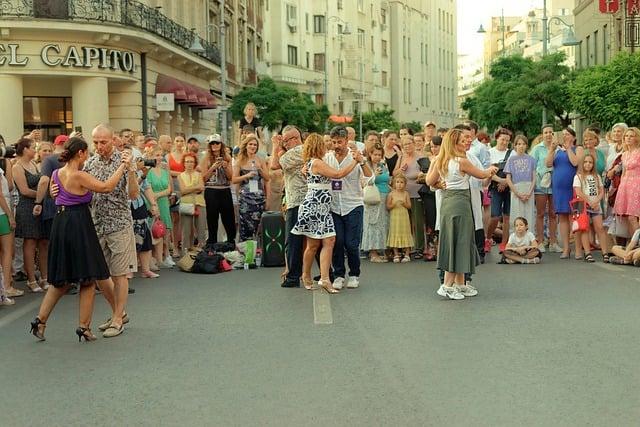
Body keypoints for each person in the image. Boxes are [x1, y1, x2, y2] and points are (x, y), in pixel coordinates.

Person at [29, 137, 131, 342]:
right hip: (78, 224)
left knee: (61, 281)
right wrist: (123, 167)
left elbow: (54, 193)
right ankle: (84, 327)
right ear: (81, 153)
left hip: (60, 223)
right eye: (87, 152)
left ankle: (40, 321)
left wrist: (52, 192)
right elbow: (106, 187)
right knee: (87, 279)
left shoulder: (57, 174)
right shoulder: (79, 175)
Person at [426, 129, 497, 300]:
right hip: (460, 203)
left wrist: (442, 185)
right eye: (462, 140)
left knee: (457, 240)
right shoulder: (461, 161)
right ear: (455, 144)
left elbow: (429, 181)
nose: (466, 143)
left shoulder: (440, 160)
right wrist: (492, 169)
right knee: (459, 241)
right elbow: (481, 175)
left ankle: (459, 283)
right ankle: (447, 285)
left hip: (448, 203)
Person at [85, 124, 140, 338]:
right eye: (96, 142)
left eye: (103, 142)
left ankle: (117, 319)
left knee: (120, 274)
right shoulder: (90, 162)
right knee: (100, 274)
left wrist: (132, 170)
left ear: (113, 139)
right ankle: (119, 312)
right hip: (97, 223)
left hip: (119, 224)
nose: (99, 146)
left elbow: (134, 194)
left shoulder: (124, 161)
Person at [291, 133, 358, 293]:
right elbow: (337, 174)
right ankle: (312, 276)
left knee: (324, 242)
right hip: (315, 206)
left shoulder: (312, 162)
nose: (326, 145)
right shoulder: (317, 162)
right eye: (323, 143)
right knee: (317, 244)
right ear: (318, 146)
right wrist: (356, 161)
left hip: (322, 207)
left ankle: (321, 278)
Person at [324, 126, 370, 290]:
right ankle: (338, 275)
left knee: (351, 243)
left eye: (340, 142)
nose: (337, 145)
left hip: (353, 205)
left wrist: (362, 161)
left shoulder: (354, 157)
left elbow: (369, 176)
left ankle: (354, 274)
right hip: (334, 206)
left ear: (346, 141)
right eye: (334, 142)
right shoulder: (327, 158)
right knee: (337, 242)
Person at [270, 126, 306, 288]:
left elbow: (274, 164)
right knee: (313, 240)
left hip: (300, 202)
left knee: (293, 241)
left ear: (294, 138)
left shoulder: (298, 150)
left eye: (286, 141)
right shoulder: (300, 151)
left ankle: (293, 276)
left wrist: (276, 146)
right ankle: (327, 273)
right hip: (299, 201)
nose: (285, 143)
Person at [12, 138, 47, 293]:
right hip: (26, 207)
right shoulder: (17, 166)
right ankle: (31, 279)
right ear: (25, 149)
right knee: (30, 242)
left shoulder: (34, 164)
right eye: (33, 147)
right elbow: (24, 190)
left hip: (40, 205)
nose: (35, 150)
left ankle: (44, 277)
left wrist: (42, 196)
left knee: (43, 242)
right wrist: (42, 194)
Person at [546, 127, 584, 259]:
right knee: (562, 217)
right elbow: (548, 164)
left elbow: (575, 162)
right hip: (559, 188)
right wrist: (552, 149)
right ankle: (566, 249)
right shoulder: (557, 150)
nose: (564, 136)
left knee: (575, 218)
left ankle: (578, 249)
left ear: (573, 137)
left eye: (567, 134)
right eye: (562, 135)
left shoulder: (577, 149)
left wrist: (568, 148)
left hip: (574, 187)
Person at [530, 125, 561, 253]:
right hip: (540, 184)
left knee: (554, 213)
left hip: (555, 183)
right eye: (546, 132)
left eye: (550, 132)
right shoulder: (537, 149)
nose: (548, 134)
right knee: (541, 213)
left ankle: (553, 242)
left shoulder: (559, 149)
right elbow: (532, 166)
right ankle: (540, 241)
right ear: (542, 134)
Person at [233, 134, 270, 242]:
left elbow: (267, 178)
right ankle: (247, 254)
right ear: (246, 145)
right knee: (246, 227)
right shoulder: (240, 161)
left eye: (255, 145)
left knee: (258, 227)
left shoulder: (260, 160)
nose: (253, 146)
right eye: (250, 144)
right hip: (245, 199)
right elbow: (234, 179)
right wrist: (246, 176)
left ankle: (258, 252)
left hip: (259, 198)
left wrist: (260, 169)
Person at [573, 153, 609, 263]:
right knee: (584, 228)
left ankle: (605, 252)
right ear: (582, 163)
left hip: (596, 204)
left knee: (600, 228)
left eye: (590, 162)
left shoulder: (596, 176)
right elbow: (578, 191)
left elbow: (601, 190)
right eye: (585, 162)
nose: (588, 164)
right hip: (581, 204)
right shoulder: (578, 176)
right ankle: (587, 253)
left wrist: (596, 201)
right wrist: (589, 201)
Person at [200, 134, 235, 245]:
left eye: (217, 143)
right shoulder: (205, 158)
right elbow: (203, 178)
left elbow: (231, 177)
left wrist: (225, 167)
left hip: (225, 189)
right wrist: (212, 167)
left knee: (229, 218)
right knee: (212, 218)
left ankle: (230, 241)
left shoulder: (227, 157)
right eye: (212, 143)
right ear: (209, 145)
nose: (215, 145)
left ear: (221, 144)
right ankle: (212, 242)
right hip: (211, 190)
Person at [362, 143, 390, 263]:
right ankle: (373, 252)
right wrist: (374, 175)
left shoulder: (383, 165)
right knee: (372, 223)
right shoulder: (366, 165)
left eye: (380, 154)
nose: (377, 157)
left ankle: (380, 250)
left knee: (382, 223)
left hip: (384, 196)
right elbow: (364, 182)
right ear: (370, 154)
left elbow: (387, 179)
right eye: (375, 154)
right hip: (372, 197)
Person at [146, 147, 174, 267]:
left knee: (166, 229)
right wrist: (154, 198)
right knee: (153, 229)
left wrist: (158, 195)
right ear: (151, 157)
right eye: (156, 155)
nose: (159, 157)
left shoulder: (164, 171)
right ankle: (152, 257)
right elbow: (147, 187)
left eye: (161, 155)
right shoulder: (148, 171)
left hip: (163, 202)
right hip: (150, 202)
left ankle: (166, 254)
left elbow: (169, 189)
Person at [398, 136, 425, 258]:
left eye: (409, 144)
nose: (407, 146)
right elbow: (395, 173)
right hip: (403, 194)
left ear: (414, 144)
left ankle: (420, 247)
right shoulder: (401, 157)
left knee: (417, 221)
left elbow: (425, 173)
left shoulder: (420, 157)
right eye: (404, 145)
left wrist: (416, 175)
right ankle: (408, 247)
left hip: (416, 192)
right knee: (405, 222)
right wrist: (400, 170)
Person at [487, 128, 513, 253]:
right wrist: (500, 181)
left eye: (507, 140)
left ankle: (504, 242)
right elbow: (488, 172)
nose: (504, 142)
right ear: (497, 138)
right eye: (502, 139)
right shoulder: (490, 152)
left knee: (507, 216)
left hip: (509, 187)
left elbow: (514, 172)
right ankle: (488, 238)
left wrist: (506, 183)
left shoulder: (512, 153)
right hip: (495, 187)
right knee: (495, 216)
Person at [505, 135, 536, 232]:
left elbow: (534, 178)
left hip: (528, 189)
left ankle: (529, 239)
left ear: (526, 145)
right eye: (518, 144)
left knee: (529, 214)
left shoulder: (531, 159)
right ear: (515, 146)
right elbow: (508, 179)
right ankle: (516, 240)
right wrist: (517, 193)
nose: (521, 146)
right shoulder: (511, 160)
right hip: (516, 189)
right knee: (517, 214)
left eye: (523, 144)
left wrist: (529, 192)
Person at [613, 127, 640, 237]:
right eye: (626, 136)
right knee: (628, 217)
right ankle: (633, 246)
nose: (628, 138)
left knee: (633, 217)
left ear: (637, 138)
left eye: (631, 136)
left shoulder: (639, 152)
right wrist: (620, 188)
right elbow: (623, 172)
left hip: (637, 185)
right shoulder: (624, 154)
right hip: (625, 186)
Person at [178, 153, 206, 253]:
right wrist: (195, 187)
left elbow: (201, 188)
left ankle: (201, 251)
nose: (189, 164)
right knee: (186, 230)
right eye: (187, 162)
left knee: (201, 229)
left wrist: (188, 189)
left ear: (194, 163)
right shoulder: (180, 176)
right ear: (184, 163)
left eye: (191, 162)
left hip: (199, 203)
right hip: (186, 204)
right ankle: (185, 252)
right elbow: (182, 191)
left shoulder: (199, 174)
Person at [386, 174, 414, 263]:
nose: (399, 184)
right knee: (395, 232)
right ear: (394, 183)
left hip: (404, 218)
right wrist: (393, 204)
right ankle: (396, 254)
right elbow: (388, 206)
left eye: (401, 182)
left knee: (405, 233)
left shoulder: (406, 193)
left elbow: (409, 206)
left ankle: (407, 254)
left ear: (405, 184)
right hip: (394, 218)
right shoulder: (391, 194)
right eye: (397, 182)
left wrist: (404, 204)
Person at [167, 133, 186, 255]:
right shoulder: (169, 156)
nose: (179, 143)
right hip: (173, 186)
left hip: (185, 187)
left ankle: (183, 244)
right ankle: (174, 246)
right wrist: (180, 173)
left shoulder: (186, 155)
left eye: (181, 141)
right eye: (177, 140)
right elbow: (167, 171)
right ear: (174, 142)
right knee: (174, 218)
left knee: (185, 217)